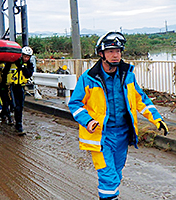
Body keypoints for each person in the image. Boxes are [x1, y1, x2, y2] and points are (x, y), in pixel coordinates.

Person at [68, 31, 169, 200]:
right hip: (101, 135)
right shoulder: (89, 78)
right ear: (101, 54)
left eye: (118, 51)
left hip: (122, 134)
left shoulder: (127, 75)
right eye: (110, 51)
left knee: (116, 172)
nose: (116, 55)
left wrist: (157, 119)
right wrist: (88, 121)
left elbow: (140, 100)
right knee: (108, 177)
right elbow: (75, 103)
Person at [2, 46, 34, 133]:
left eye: (28, 57)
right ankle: (15, 122)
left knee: (20, 105)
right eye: (25, 56)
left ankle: (17, 123)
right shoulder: (12, 62)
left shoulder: (29, 65)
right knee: (15, 105)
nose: (26, 58)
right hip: (12, 86)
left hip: (21, 87)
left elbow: (28, 74)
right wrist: (4, 84)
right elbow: (5, 73)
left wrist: (23, 67)